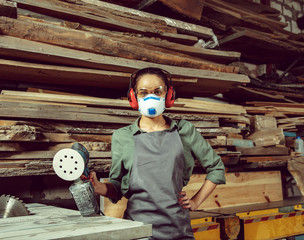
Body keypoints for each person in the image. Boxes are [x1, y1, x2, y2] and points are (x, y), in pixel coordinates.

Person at [88, 67, 226, 239]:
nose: (150, 97)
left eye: (157, 91)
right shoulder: (122, 137)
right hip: (139, 231)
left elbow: (216, 168)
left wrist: (196, 201)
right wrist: (98, 187)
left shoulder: (184, 131)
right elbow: (117, 187)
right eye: (143, 92)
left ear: (168, 96)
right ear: (134, 97)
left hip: (177, 230)